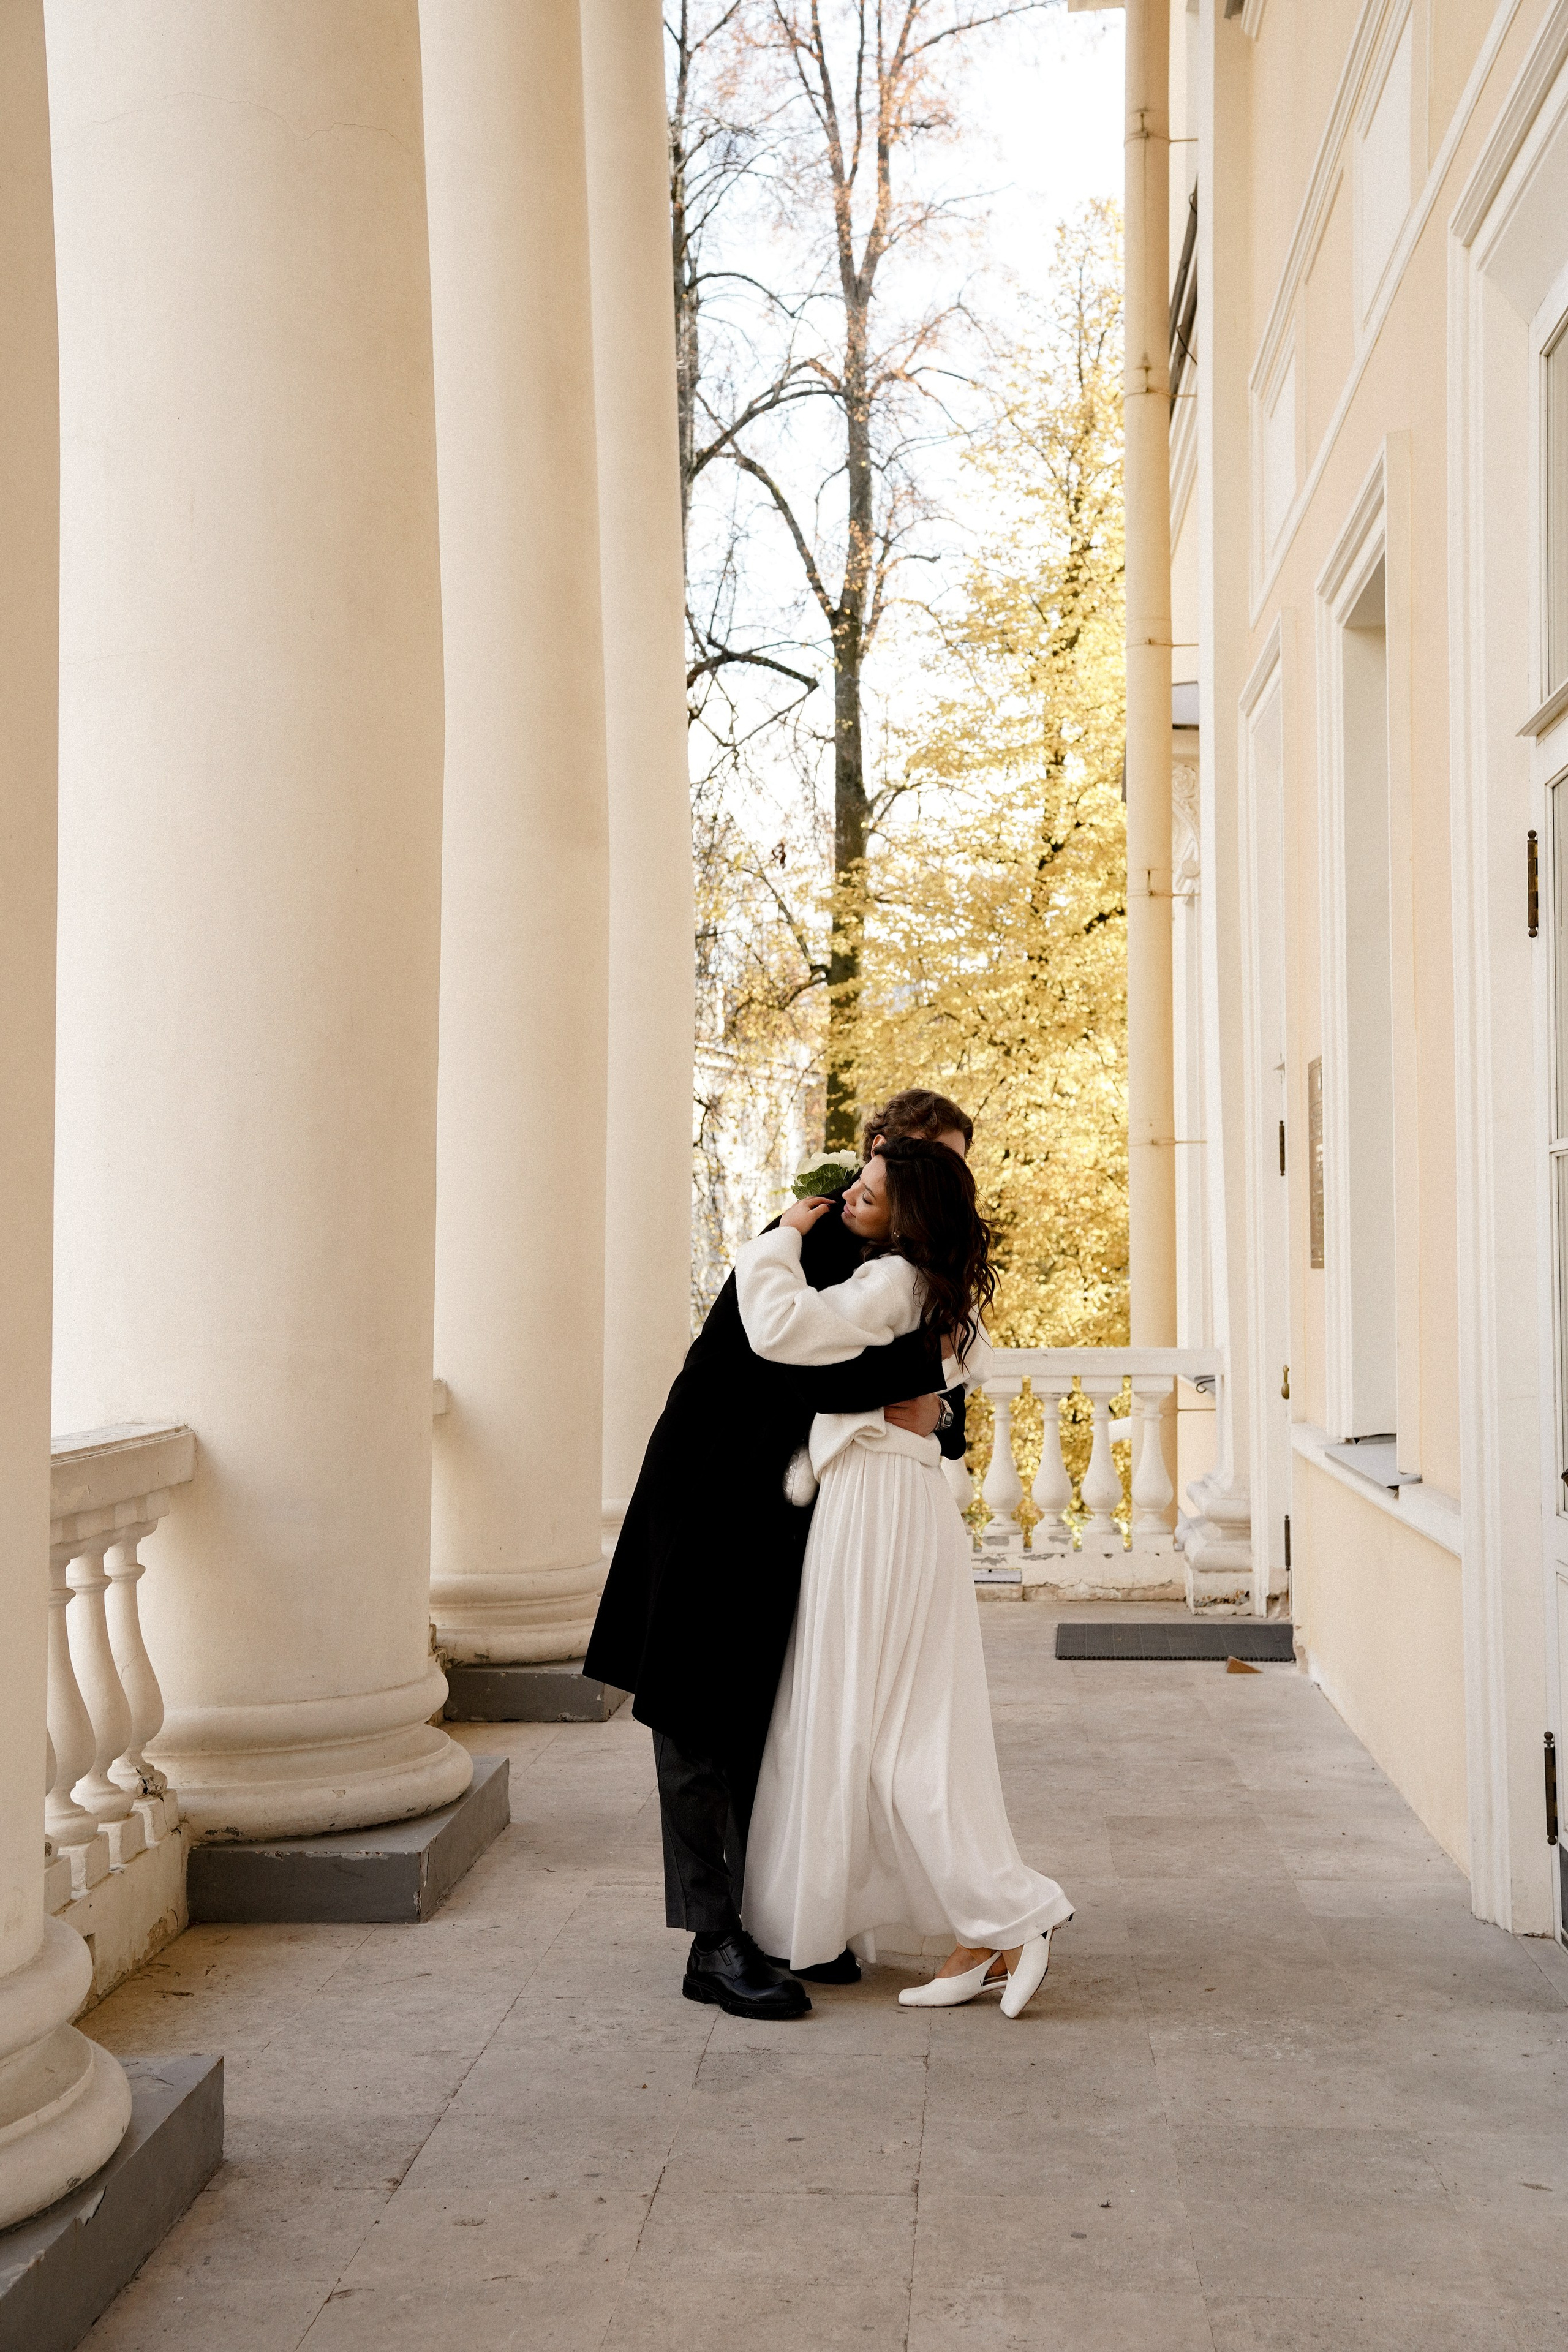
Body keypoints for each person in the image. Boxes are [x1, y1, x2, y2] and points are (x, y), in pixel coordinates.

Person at [584, 1090, 976, 2022]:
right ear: (875, 1157)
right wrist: (913, 1384)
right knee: (693, 1707)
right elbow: (783, 1363)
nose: (936, 1181)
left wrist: (933, 1402)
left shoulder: (907, 1263)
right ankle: (712, 1940)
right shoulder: (808, 1237)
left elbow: (940, 1400)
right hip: (713, 1485)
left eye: (952, 1166)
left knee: (772, 1711)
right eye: (919, 1160)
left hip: (800, 1509)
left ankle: (774, 1919)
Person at [735, 1136, 1074, 2016]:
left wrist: (775, 1238)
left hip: (874, 1505)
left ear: (908, 1216)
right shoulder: (938, 1293)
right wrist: (893, 1391)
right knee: (908, 1727)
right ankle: (982, 1933)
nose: (851, 1197)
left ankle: (1008, 1915)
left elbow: (776, 1329)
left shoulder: (888, 1283)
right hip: (912, 1500)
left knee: (858, 1720)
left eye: (871, 1196)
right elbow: (964, 1368)